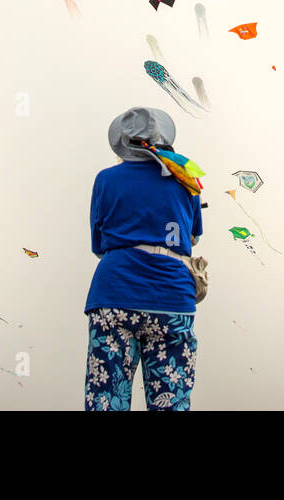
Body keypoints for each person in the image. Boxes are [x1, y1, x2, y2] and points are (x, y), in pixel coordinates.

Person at [86, 107, 203, 411]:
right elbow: (191, 238)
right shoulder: (185, 180)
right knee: (171, 404)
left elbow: (99, 245)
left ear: (122, 144)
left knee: (105, 402)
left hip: (114, 296)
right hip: (172, 299)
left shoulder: (106, 180)